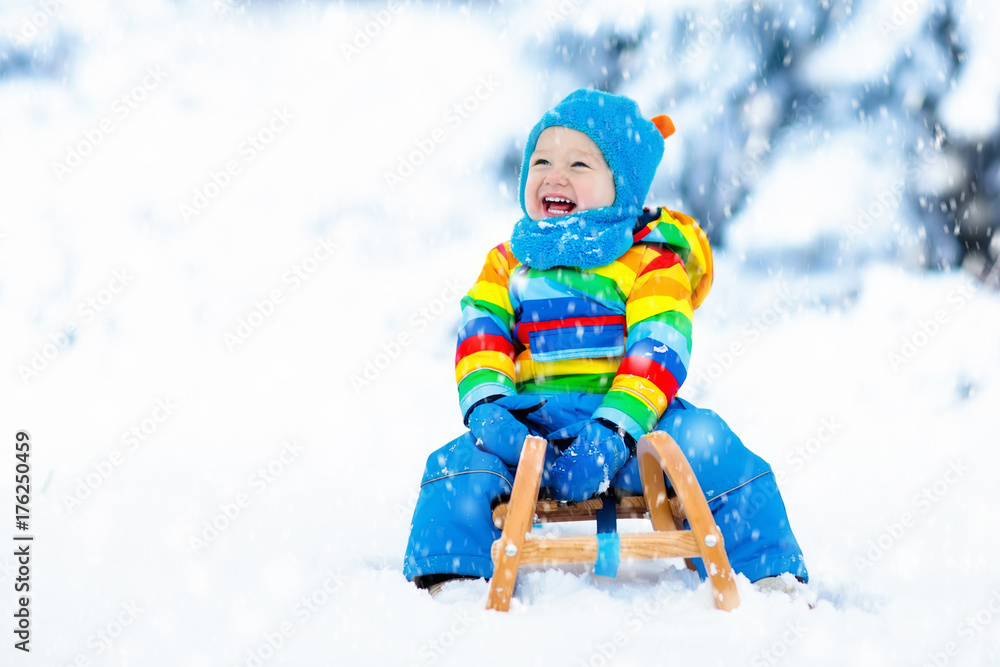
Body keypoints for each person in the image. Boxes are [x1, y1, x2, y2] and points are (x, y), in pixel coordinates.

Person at [403, 89, 808, 596]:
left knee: (711, 445)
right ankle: (450, 576)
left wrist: (614, 430)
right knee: (455, 465)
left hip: (637, 429)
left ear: (623, 187)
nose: (555, 174)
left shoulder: (649, 260)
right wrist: (488, 406)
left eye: (579, 163)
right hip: (531, 427)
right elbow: (481, 330)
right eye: (542, 160)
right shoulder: (510, 263)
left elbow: (658, 346)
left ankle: (764, 571)